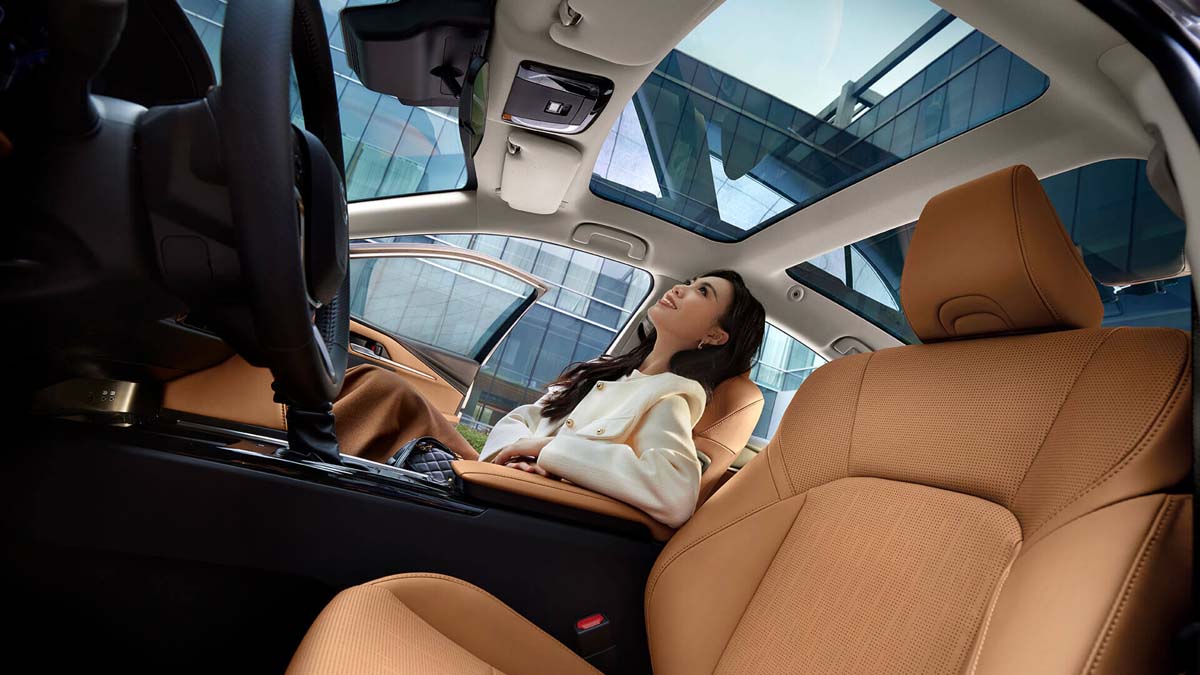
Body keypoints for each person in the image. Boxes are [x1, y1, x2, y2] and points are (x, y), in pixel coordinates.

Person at [478, 270, 765, 528]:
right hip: (502, 490)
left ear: (714, 335)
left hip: (536, 521)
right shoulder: (602, 369)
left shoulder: (672, 395)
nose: (680, 288)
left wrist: (549, 451)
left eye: (702, 291)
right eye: (690, 282)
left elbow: (675, 493)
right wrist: (516, 456)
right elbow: (524, 417)